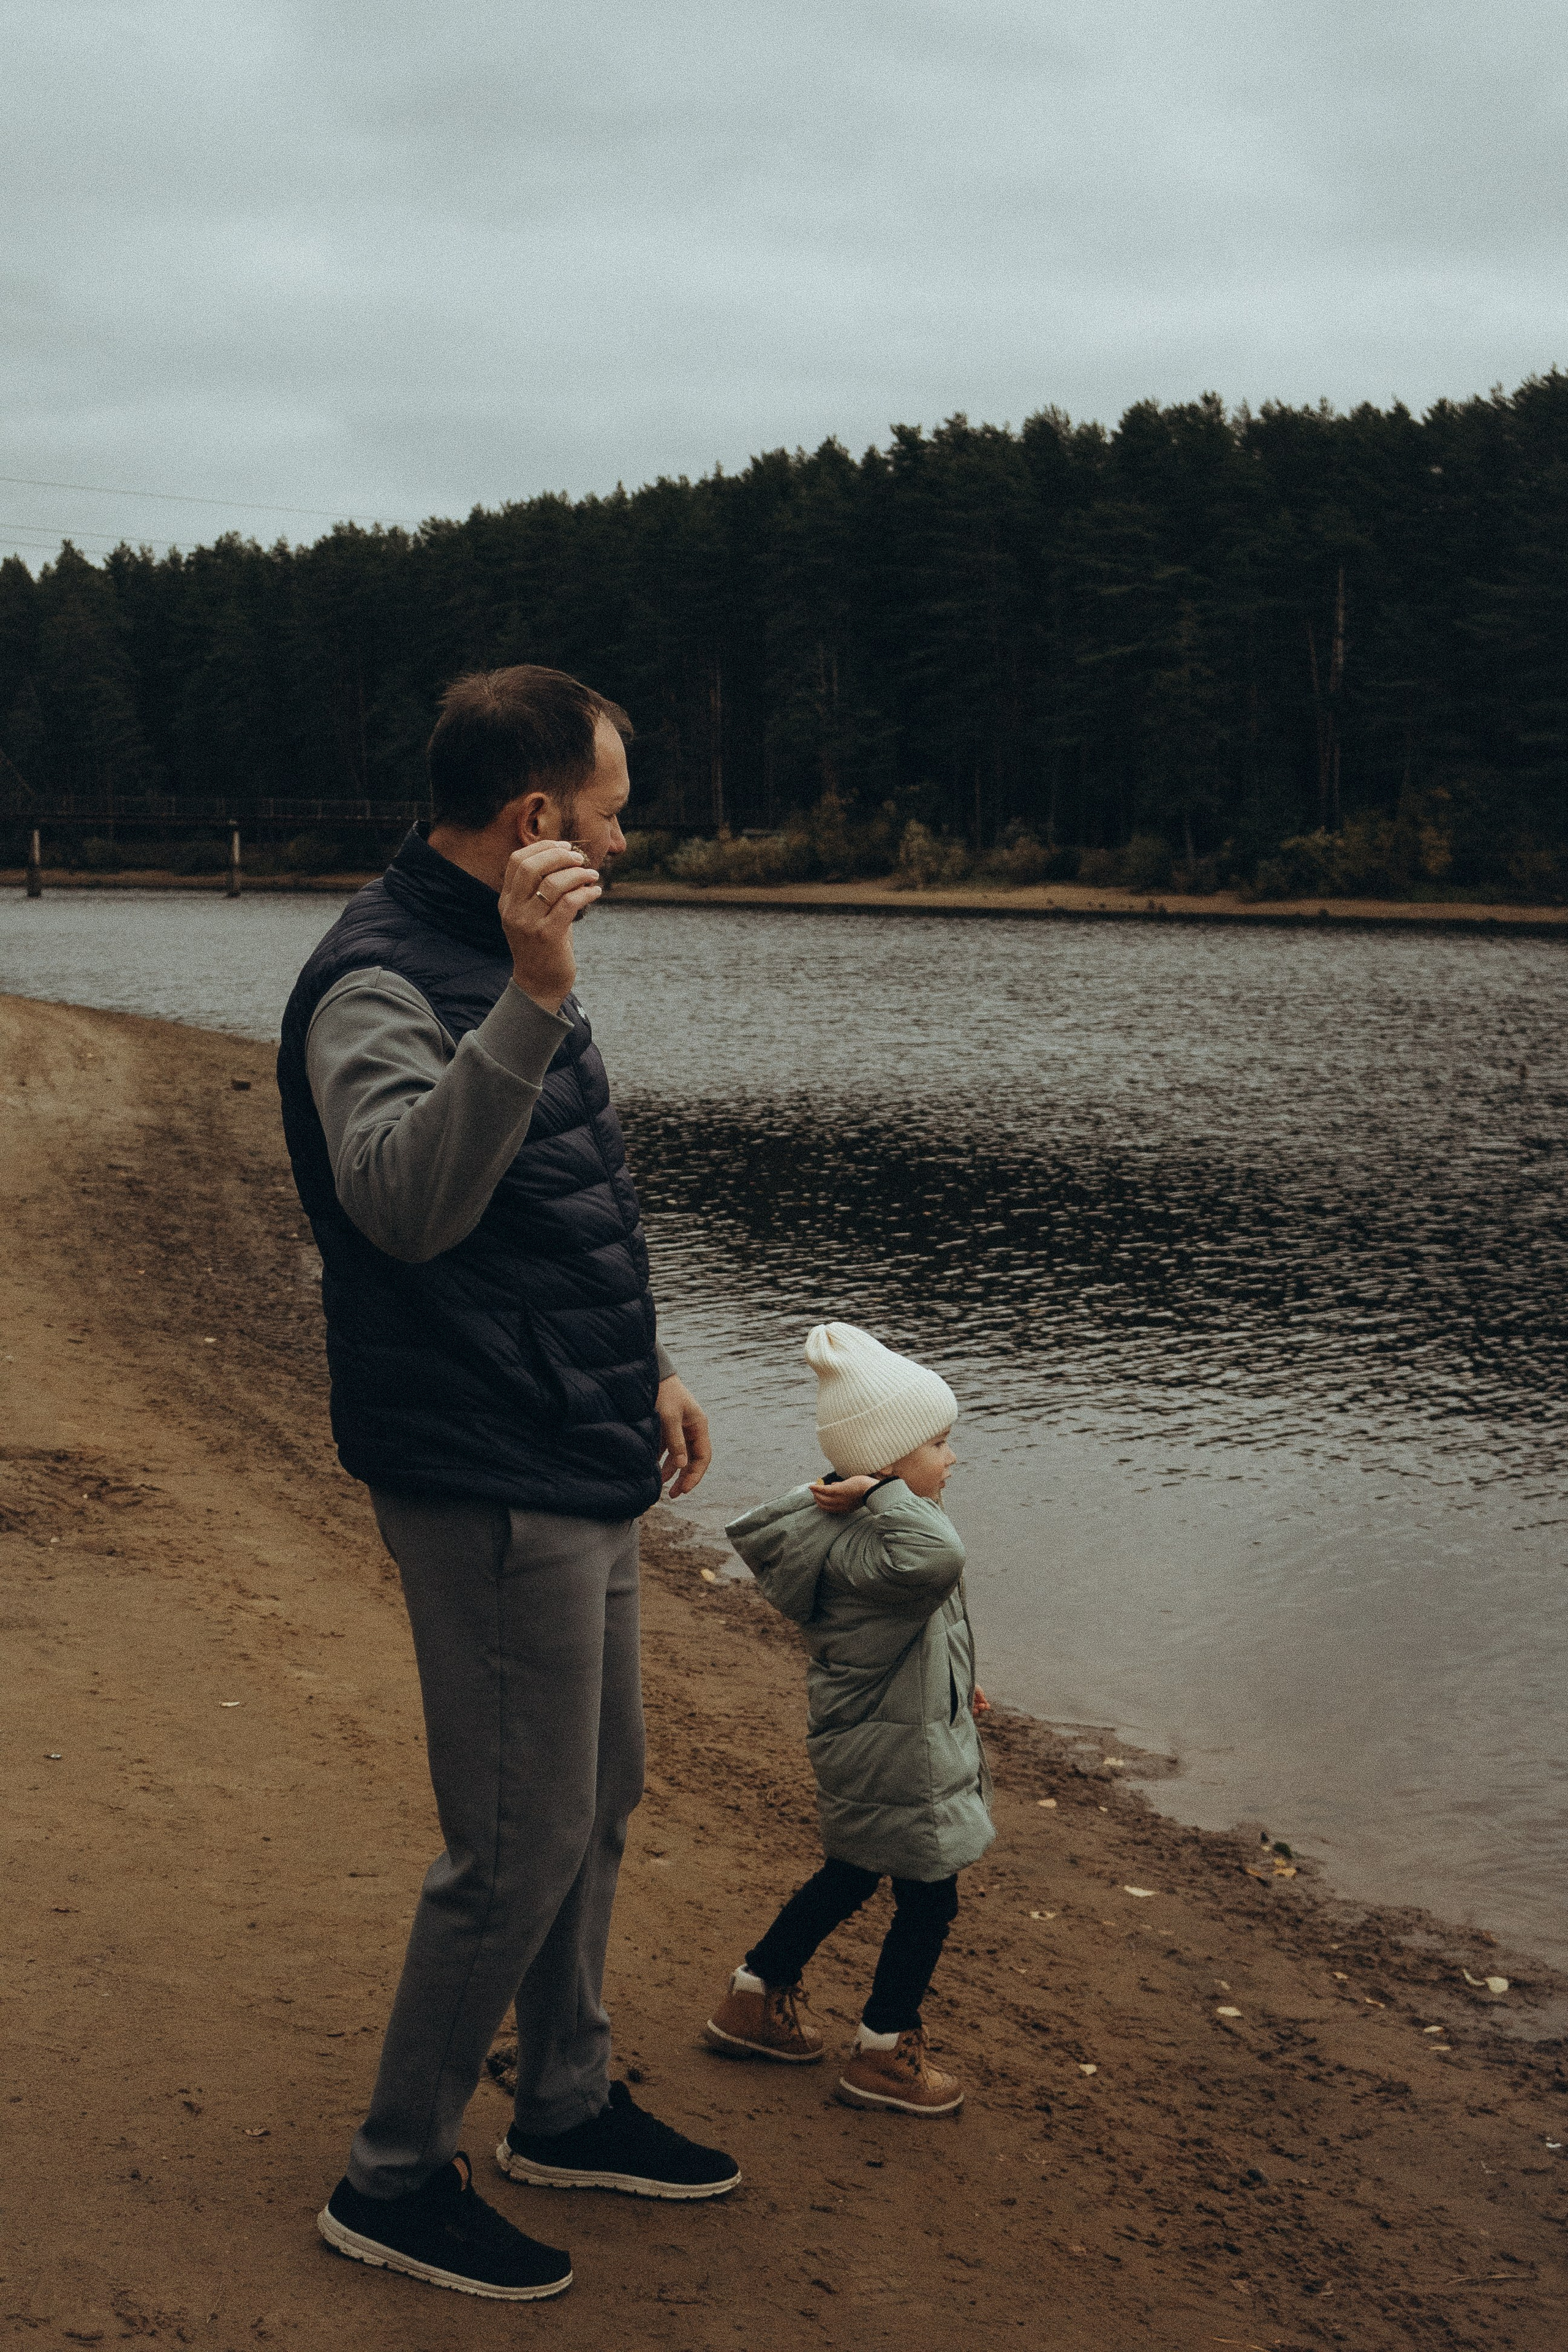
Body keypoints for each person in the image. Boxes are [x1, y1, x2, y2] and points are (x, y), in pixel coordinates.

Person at [276, 664, 740, 2304]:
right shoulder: (382, 980)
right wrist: (534, 992)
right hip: (482, 1467)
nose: (624, 842)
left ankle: (564, 2101)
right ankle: (391, 2178)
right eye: (611, 817)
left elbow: (561, 1202)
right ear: (538, 819)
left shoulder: (490, 955)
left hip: (573, 1433)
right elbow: (405, 1205)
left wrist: (651, 1367)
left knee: (594, 1799)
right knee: (513, 1841)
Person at [703, 1321, 993, 2116]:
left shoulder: (863, 1530)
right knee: (929, 1899)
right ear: (889, 1466)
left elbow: (923, 1626)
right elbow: (941, 1564)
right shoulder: (880, 1539)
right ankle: (882, 2052)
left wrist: (960, 1683)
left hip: (882, 1738)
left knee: (853, 1872)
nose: (953, 1458)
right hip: (899, 1755)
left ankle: (754, 1997)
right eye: (939, 1444)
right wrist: (889, 1492)